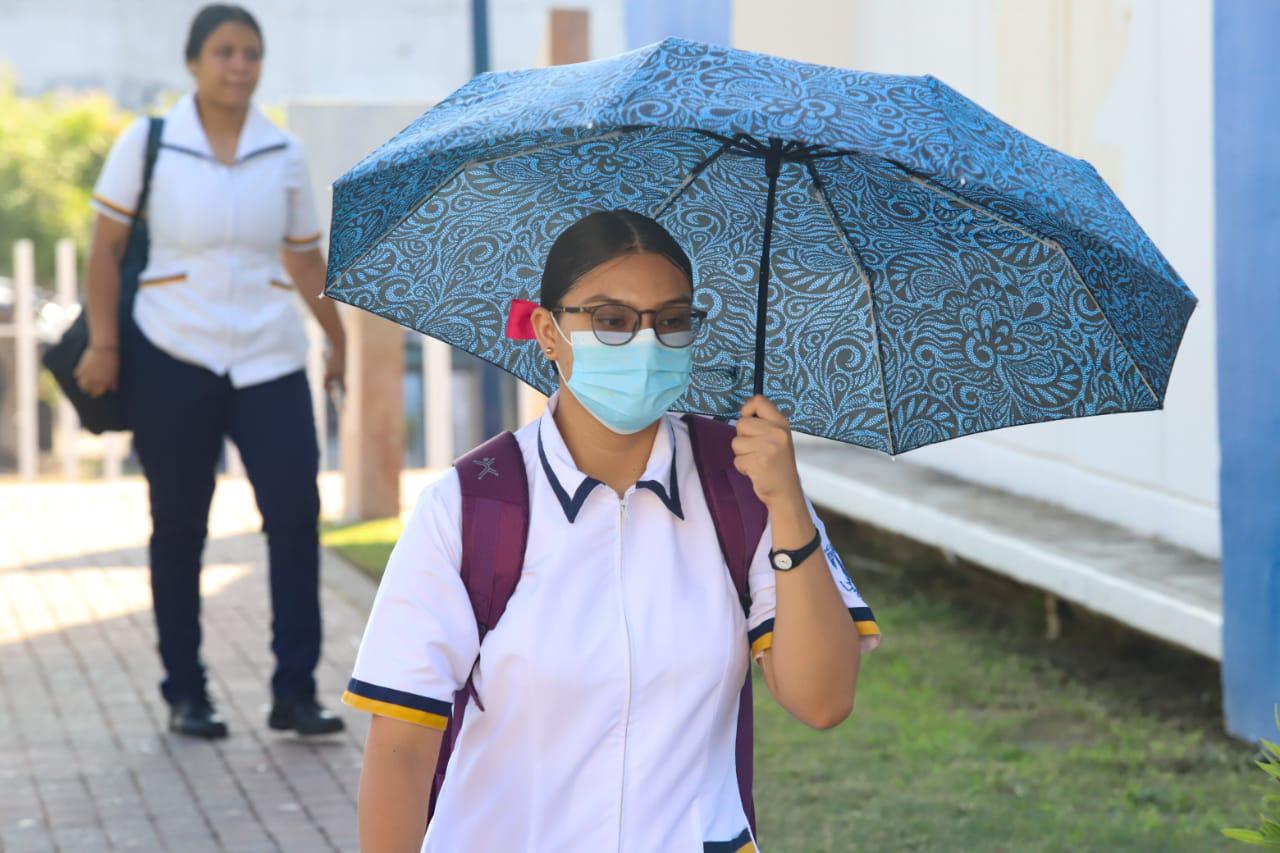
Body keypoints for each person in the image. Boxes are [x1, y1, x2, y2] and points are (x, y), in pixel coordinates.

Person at [343, 210, 882, 850]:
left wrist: (788, 505)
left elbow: (822, 701)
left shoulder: (741, 488)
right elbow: (401, 748)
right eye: (612, 320)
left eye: (672, 320)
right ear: (548, 331)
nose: (647, 343)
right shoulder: (472, 505)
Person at [74, 4, 346, 739]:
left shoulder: (282, 151)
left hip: (268, 355)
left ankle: (295, 689)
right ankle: (186, 690)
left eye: (251, 53)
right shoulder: (150, 142)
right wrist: (104, 343)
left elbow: (301, 256)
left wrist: (335, 337)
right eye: (224, 51)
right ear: (193, 61)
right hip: (172, 351)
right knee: (180, 524)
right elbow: (104, 251)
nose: (239, 65)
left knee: (294, 516)